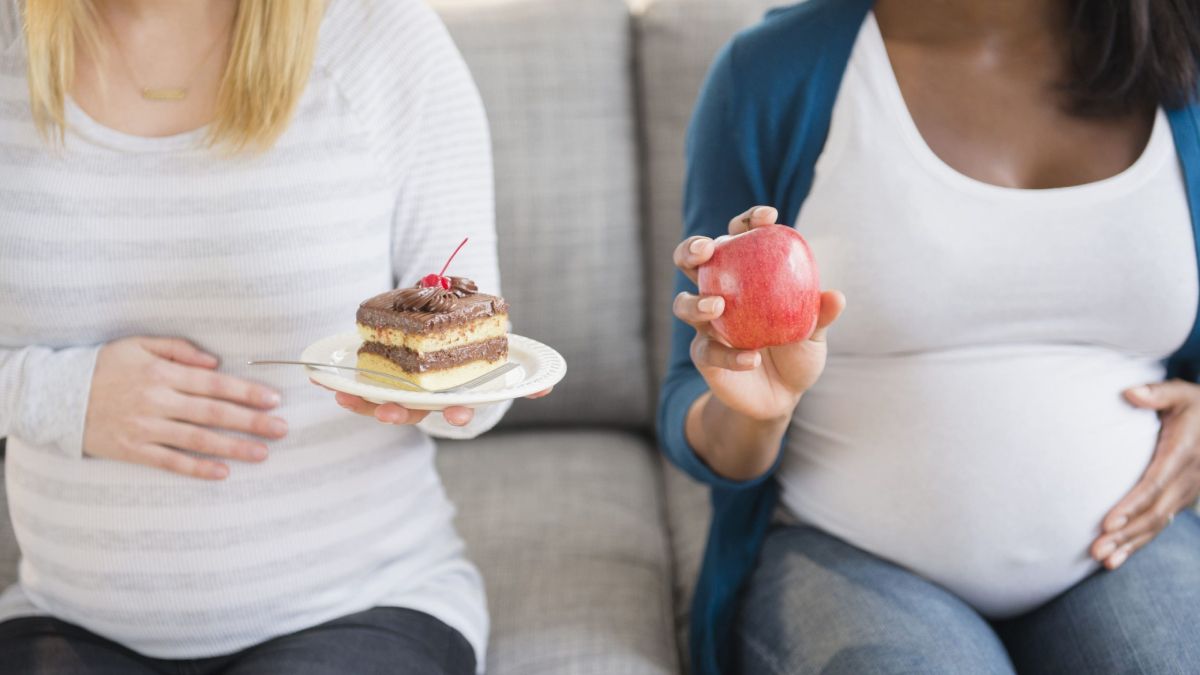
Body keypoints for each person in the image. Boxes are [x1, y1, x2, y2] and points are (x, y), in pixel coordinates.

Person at [0, 0, 541, 672]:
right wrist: (57, 395)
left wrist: (450, 393)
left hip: (359, 610)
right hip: (66, 617)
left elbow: (478, 357)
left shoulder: (380, 36)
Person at [659, 0, 1200, 673]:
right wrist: (751, 415)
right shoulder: (772, 73)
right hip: (847, 556)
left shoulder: (1181, 57)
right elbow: (687, 396)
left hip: (1131, 551)